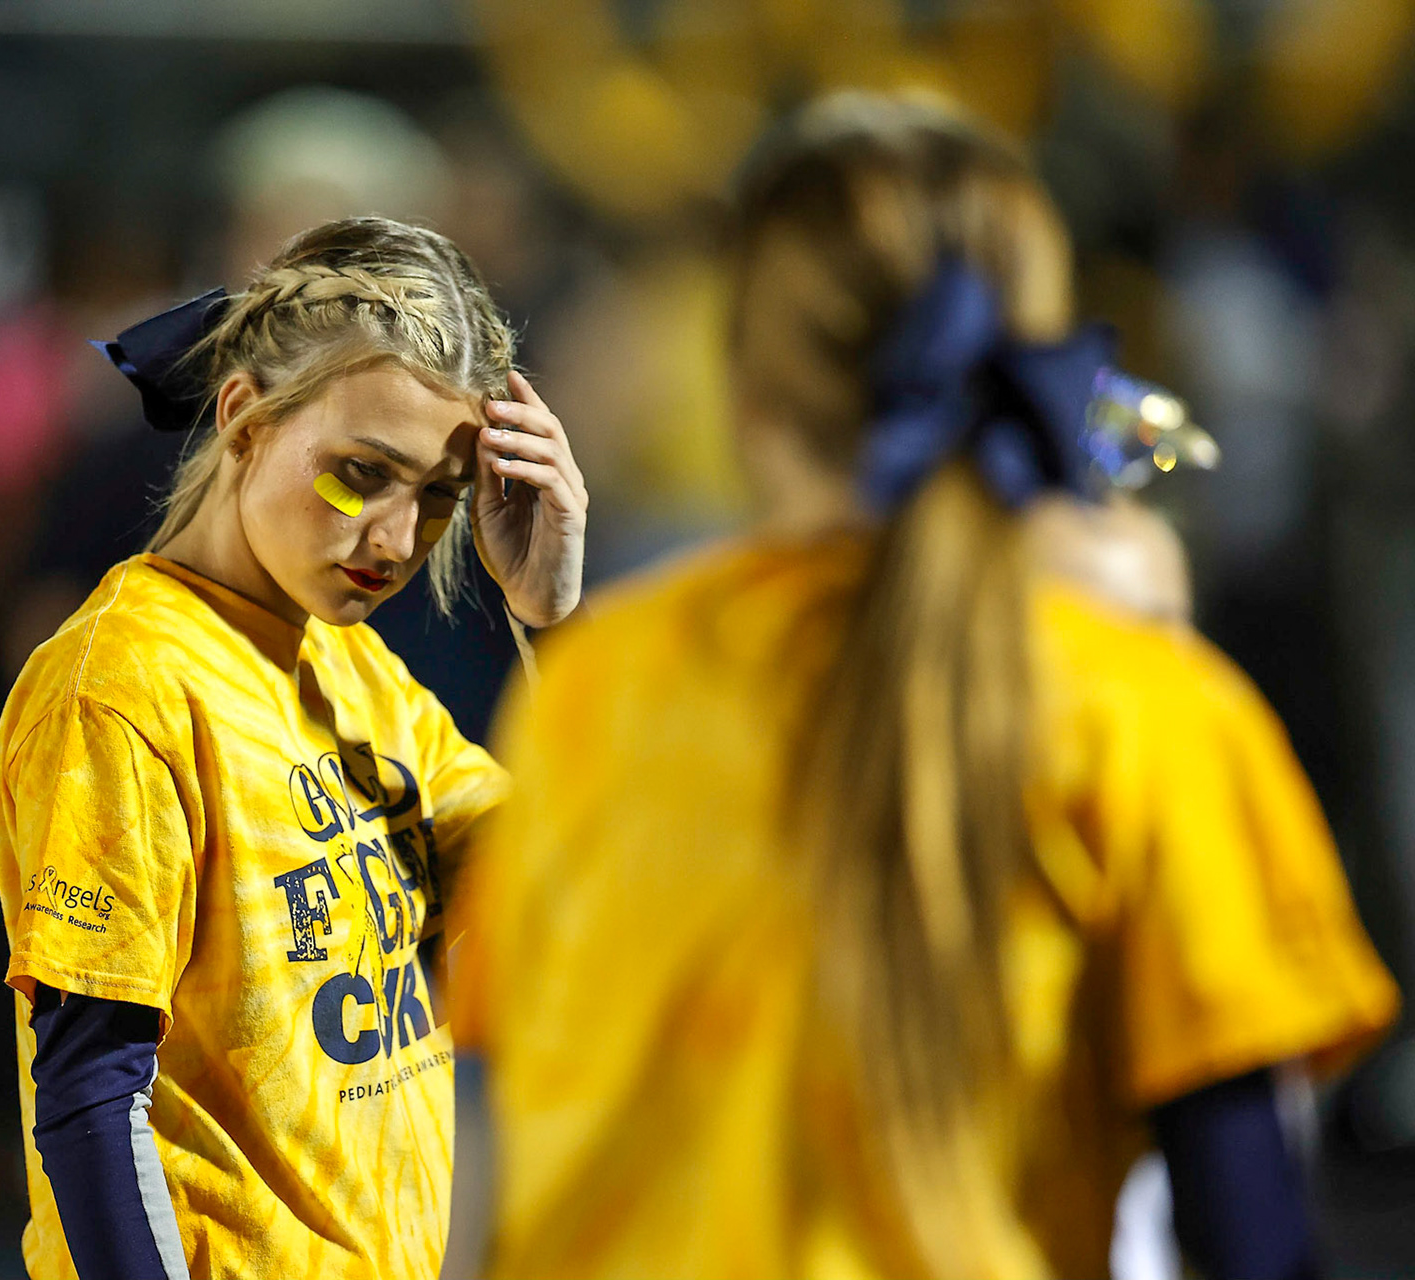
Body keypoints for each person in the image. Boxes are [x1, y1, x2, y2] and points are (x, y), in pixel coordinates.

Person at [447, 93, 1399, 1280]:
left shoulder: (596, 687)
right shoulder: (1148, 712)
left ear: (747, 391)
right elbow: (1248, 1228)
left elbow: (521, 1138)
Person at [0, 216, 586, 1279]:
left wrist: (546, 620)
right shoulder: (123, 683)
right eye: (361, 471)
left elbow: (561, 907)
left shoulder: (351, 669)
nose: (396, 539)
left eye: (439, 496)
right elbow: (90, 1097)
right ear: (242, 418)